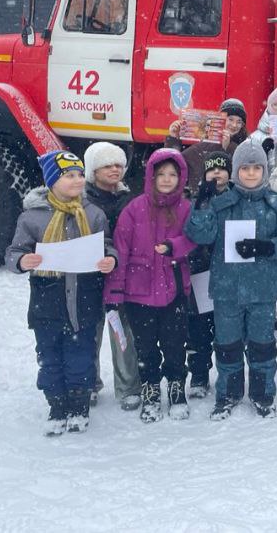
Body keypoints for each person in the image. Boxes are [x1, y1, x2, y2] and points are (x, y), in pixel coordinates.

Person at [185, 138, 277, 420]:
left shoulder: (275, 204)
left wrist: (266, 247)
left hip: (262, 291)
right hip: (227, 290)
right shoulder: (221, 204)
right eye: (245, 168)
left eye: (256, 168)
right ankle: (229, 393)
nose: (251, 173)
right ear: (236, 171)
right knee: (227, 345)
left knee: (262, 345)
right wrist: (201, 203)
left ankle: (262, 394)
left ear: (264, 171)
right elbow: (200, 235)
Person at [6, 151, 117, 436]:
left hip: (84, 300)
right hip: (48, 301)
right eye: (70, 175)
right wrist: (22, 261)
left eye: (80, 174)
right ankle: (56, 404)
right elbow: (15, 250)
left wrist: (109, 259)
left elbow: (107, 244)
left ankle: (79, 404)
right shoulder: (33, 217)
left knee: (81, 353)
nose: (78, 180)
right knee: (49, 355)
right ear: (53, 181)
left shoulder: (93, 213)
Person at [106, 149, 197, 423]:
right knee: (145, 347)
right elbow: (120, 252)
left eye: (172, 174)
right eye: (161, 174)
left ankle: (177, 387)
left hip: (174, 290)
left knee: (175, 345)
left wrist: (174, 247)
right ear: (151, 176)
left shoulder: (185, 208)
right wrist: (114, 293)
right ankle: (150, 389)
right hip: (139, 292)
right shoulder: (134, 209)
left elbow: (194, 239)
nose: (167, 179)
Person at [81, 141, 140, 411]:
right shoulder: (81, 201)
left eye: (118, 164)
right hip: (89, 275)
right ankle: (88, 381)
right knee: (88, 331)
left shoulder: (128, 198)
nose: (115, 170)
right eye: (107, 165)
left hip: (123, 275)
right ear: (94, 170)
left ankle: (128, 386)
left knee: (123, 332)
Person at [185, 150, 231, 398]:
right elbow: (193, 232)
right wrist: (202, 202)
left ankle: (227, 375)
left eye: (222, 168)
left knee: (226, 329)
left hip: (229, 273)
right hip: (201, 272)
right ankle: (199, 376)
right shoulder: (196, 199)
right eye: (212, 169)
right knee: (199, 330)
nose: (216, 173)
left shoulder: (236, 198)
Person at [167, 97, 249, 193]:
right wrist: (173, 138)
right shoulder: (202, 147)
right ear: (220, 120)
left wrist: (227, 148)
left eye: (239, 122)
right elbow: (174, 167)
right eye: (230, 119)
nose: (234, 125)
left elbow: (243, 178)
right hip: (201, 202)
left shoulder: (246, 147)